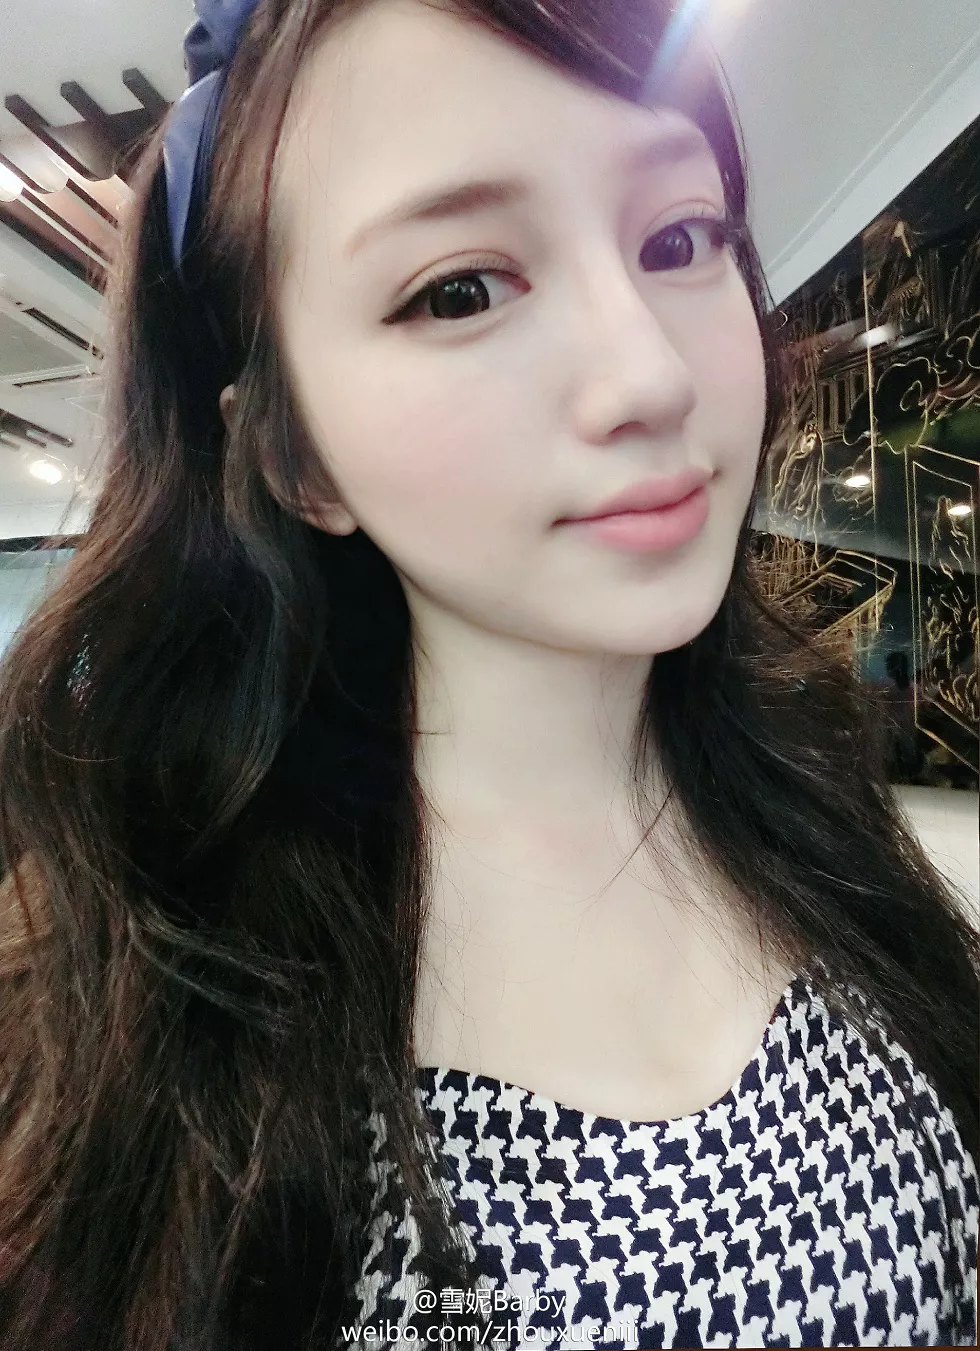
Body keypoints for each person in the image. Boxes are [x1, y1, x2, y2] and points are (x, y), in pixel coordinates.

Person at [0, 0, 975, 1346]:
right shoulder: (143, 994)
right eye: (459, 290)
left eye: (679, 240)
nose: (649, 377)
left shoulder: (808, 781)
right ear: (295, 455)